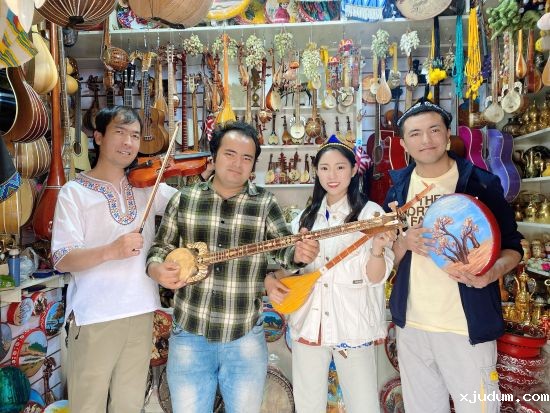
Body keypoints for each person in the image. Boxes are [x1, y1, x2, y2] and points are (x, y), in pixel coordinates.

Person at [146, 121, 319, 413]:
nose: (238, 163)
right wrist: (157, 269)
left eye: (246, 158)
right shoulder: (184, 199)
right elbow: (160, 247)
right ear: (214, 156)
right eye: (230, 154)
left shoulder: (264, 203)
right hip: (190, 335)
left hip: (244, 337)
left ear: (253, 166)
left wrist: (300, 253)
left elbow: (284, 250)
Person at [383, 98, 523, 413]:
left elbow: (514, 247)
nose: (426, 139)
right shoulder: (397, 190)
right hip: (412, 325)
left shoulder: (480, 183)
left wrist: (491, 273)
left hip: (465, 326)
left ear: (448, 135)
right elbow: (389, 256)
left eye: (434, 130)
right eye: (415, 133)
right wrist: (403, 242)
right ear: (404, 144)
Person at [51, 106, 181, 412]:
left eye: (134, 135)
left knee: (130, 404)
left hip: (141, 311)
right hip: (95, 316)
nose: (128, 142)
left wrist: (212, 170)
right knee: (87, 405)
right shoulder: (74, 192)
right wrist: (110, 251)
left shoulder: (146, 185)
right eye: (119, 133)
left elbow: (189, 204)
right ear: (98, 137)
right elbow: (62, 258)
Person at [266, 136, 395, 413]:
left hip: (353, 324)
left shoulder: (371, 214)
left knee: (363, 404)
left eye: (340, 167)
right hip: (310, 321)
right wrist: (296, 258)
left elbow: (376, 278)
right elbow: (288, 267)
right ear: (316, 172)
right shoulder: (305, 218)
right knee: (308, 403)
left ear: (353, 170)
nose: (332, 175)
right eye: (324, 168)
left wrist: (377, 249)